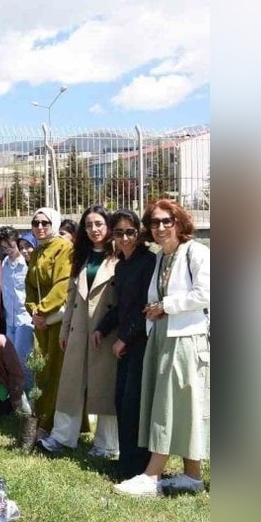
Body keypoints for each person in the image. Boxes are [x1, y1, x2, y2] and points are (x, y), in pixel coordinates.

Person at [114, 200, 210, 497]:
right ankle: (192, 475)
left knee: (170, 404)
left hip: (185, 337)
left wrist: (166, 306)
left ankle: (152, 475)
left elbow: (206, 293)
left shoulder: (197, 252)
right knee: (178, 404)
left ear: (179, 222)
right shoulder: (160, 259)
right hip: (162, 335)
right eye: (154, 223)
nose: (160, 227)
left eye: (167, 221)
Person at [40, 206, 120, 457]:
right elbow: (71, 296)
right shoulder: (81, 256)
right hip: (78, 328)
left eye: (99, 224)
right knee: (70, 384)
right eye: (88, 225)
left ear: (108, 226)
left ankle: (106, 445)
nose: (94, 229)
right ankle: (63, 437)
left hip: (107, 330)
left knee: (106, 385)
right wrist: (65, 330)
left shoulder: (119, 256)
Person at [95, 209, 156, 480]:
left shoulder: (148, 262)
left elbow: (145, 307)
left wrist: (124, 338)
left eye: (130, 232)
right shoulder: (121, 265)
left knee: (135, 404)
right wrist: (103, 327)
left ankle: (138, 467)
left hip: (142, 341)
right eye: (118, 232)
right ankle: (126, 461)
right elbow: (122, 305)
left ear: (139, 233)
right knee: (122, 401)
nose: (124, 238)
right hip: (126, 341)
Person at [25, 207, 73, 433]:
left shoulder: (64, 248)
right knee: (41, 371)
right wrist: (33, 310)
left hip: (58, 320)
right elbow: (29, 285)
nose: (40, 227)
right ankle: (40, 418)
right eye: (36, 223)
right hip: (41, 321)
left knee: (55, 371)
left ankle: (51, 423)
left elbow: (63, 284)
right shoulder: (36, 251)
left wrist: (42, 311)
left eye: (45, 223)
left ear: (54, 223)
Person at [0, 227, 37, 389]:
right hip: (10, 318)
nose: (8, 251)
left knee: (22, 358)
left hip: (25, 318)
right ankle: (16, 395)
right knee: (11, 358)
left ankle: (28, 396)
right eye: (4, 248)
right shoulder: (4, 263)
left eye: (11, 247)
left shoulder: (27, 263)